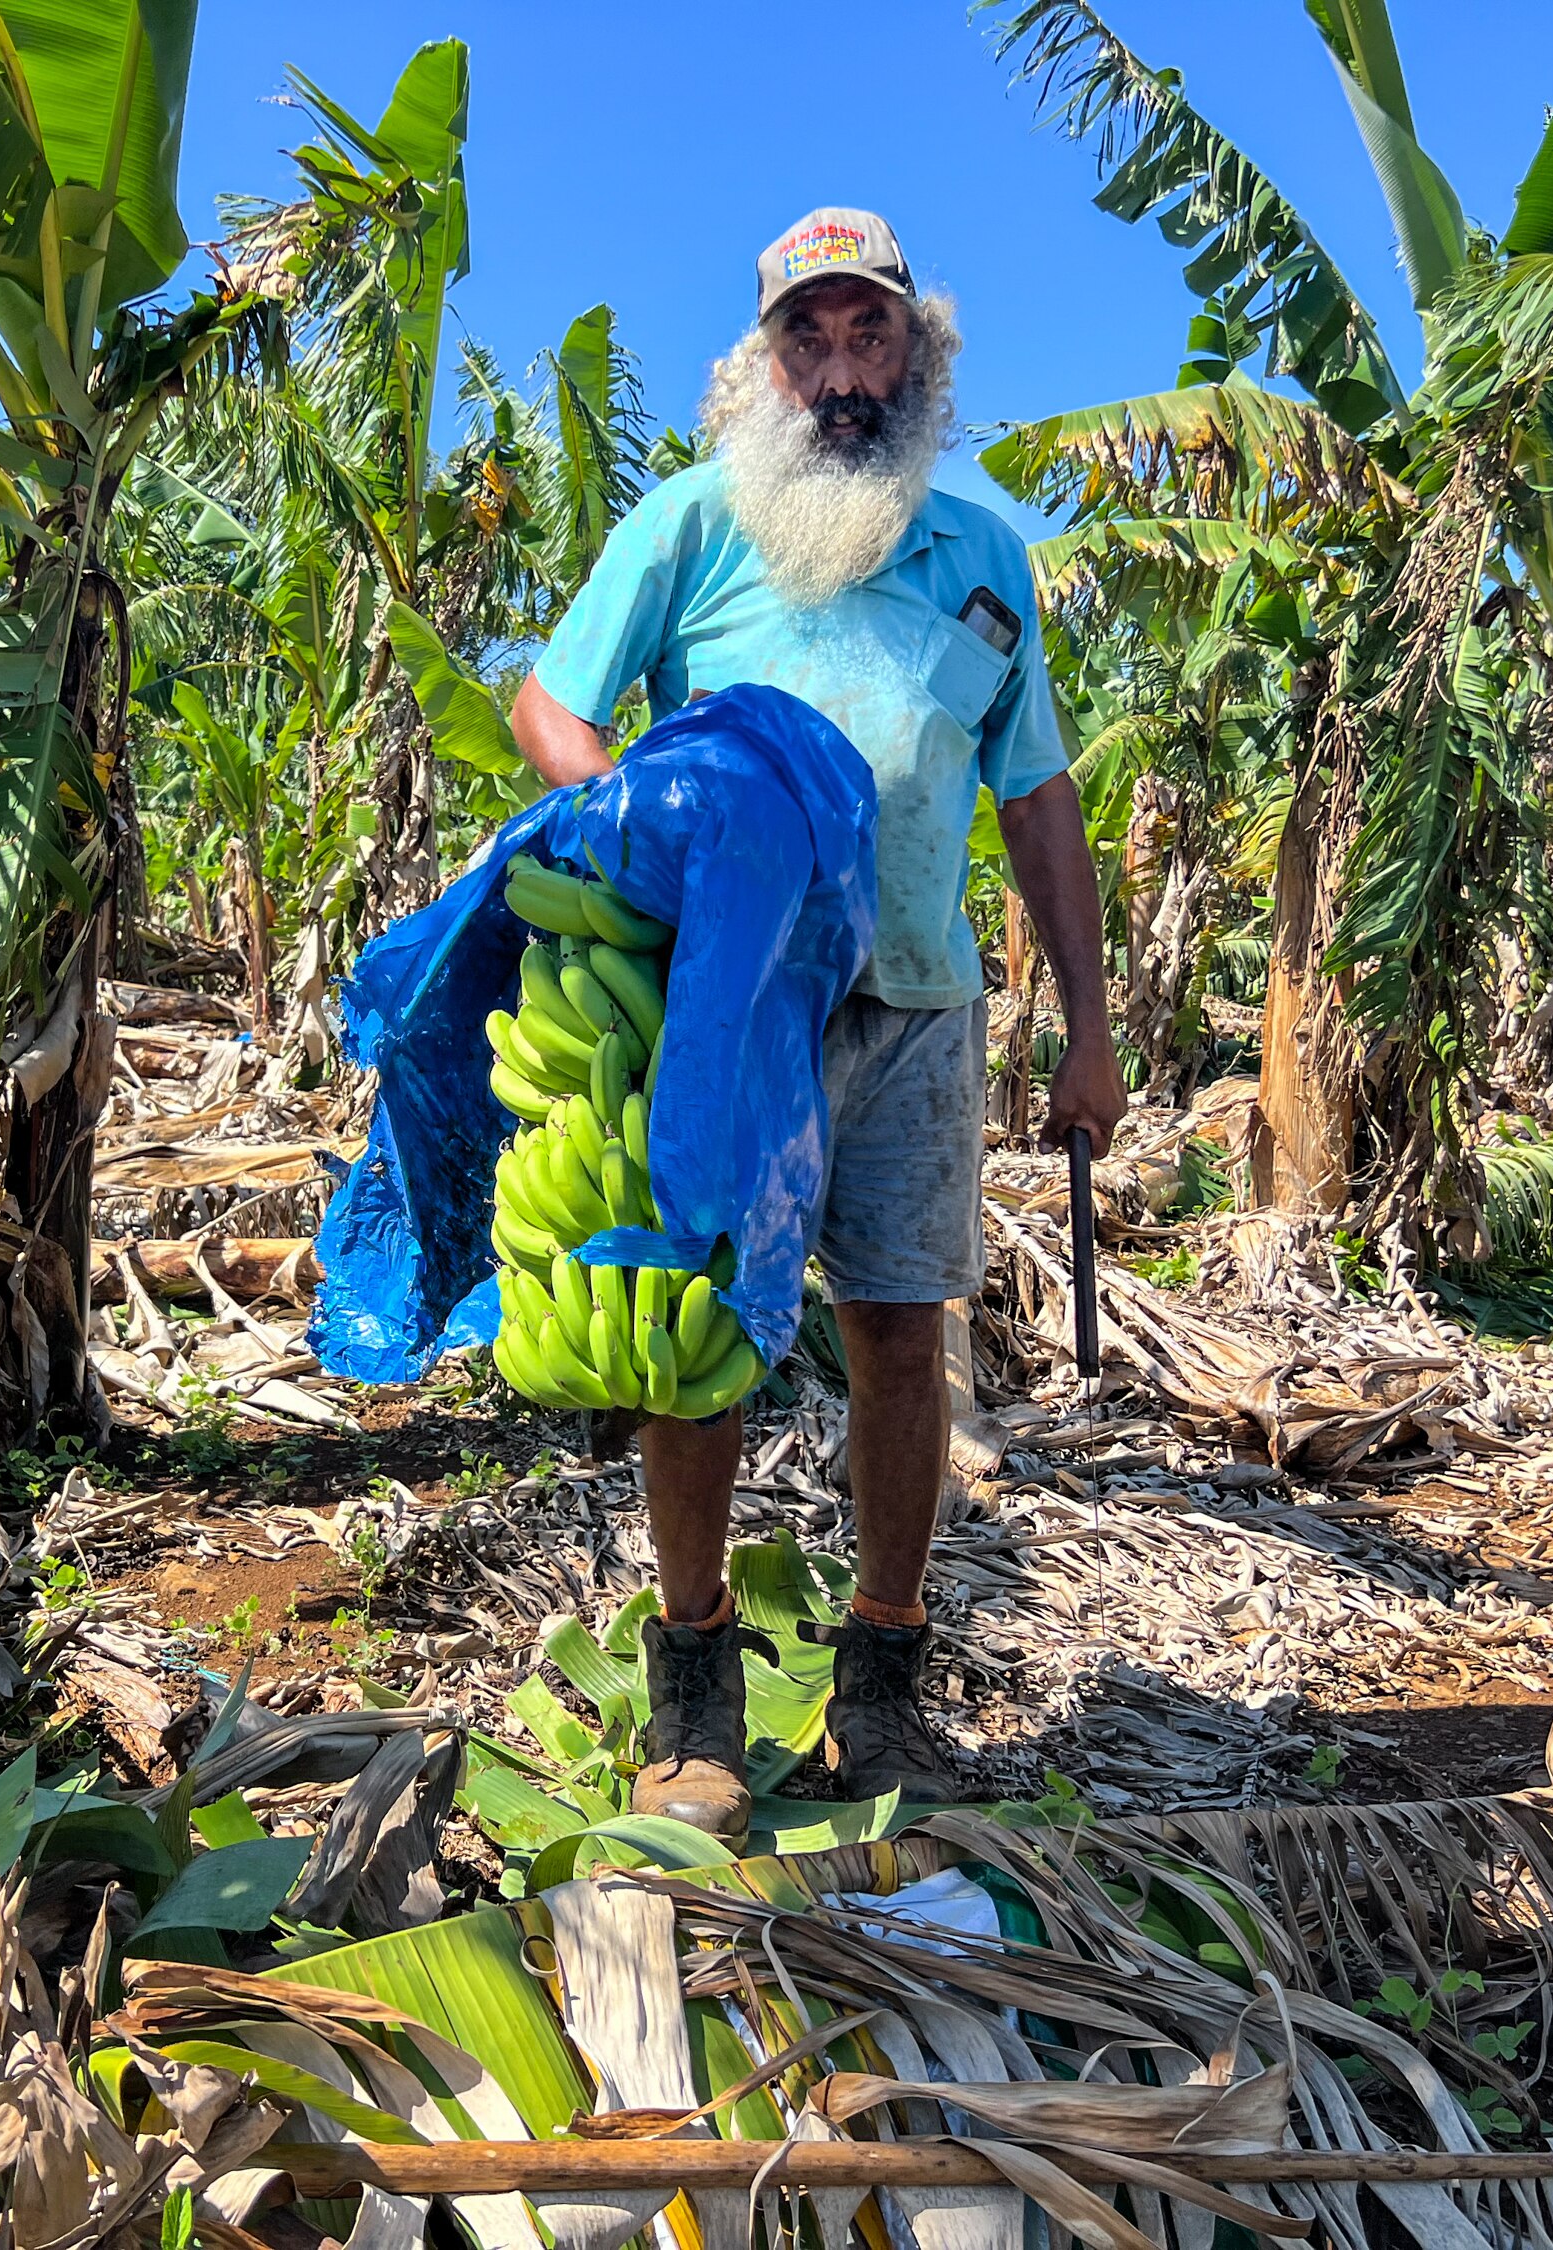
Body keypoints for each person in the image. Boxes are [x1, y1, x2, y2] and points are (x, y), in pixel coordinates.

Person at [509, 206, 1128, 1836]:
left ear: (920, 355)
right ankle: (695, 1683)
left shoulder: (982, 560)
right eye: (812, 339)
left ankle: (885, 1674)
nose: (844, 373)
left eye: (872, 337)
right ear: (764, 363)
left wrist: (1090, 1025)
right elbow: (550, 705)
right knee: (697, 1333)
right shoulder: (693, 526)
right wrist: (638, 817)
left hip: (919, 1002)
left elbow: (1038, 796)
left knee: (900, 1335)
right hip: (727, 1000)